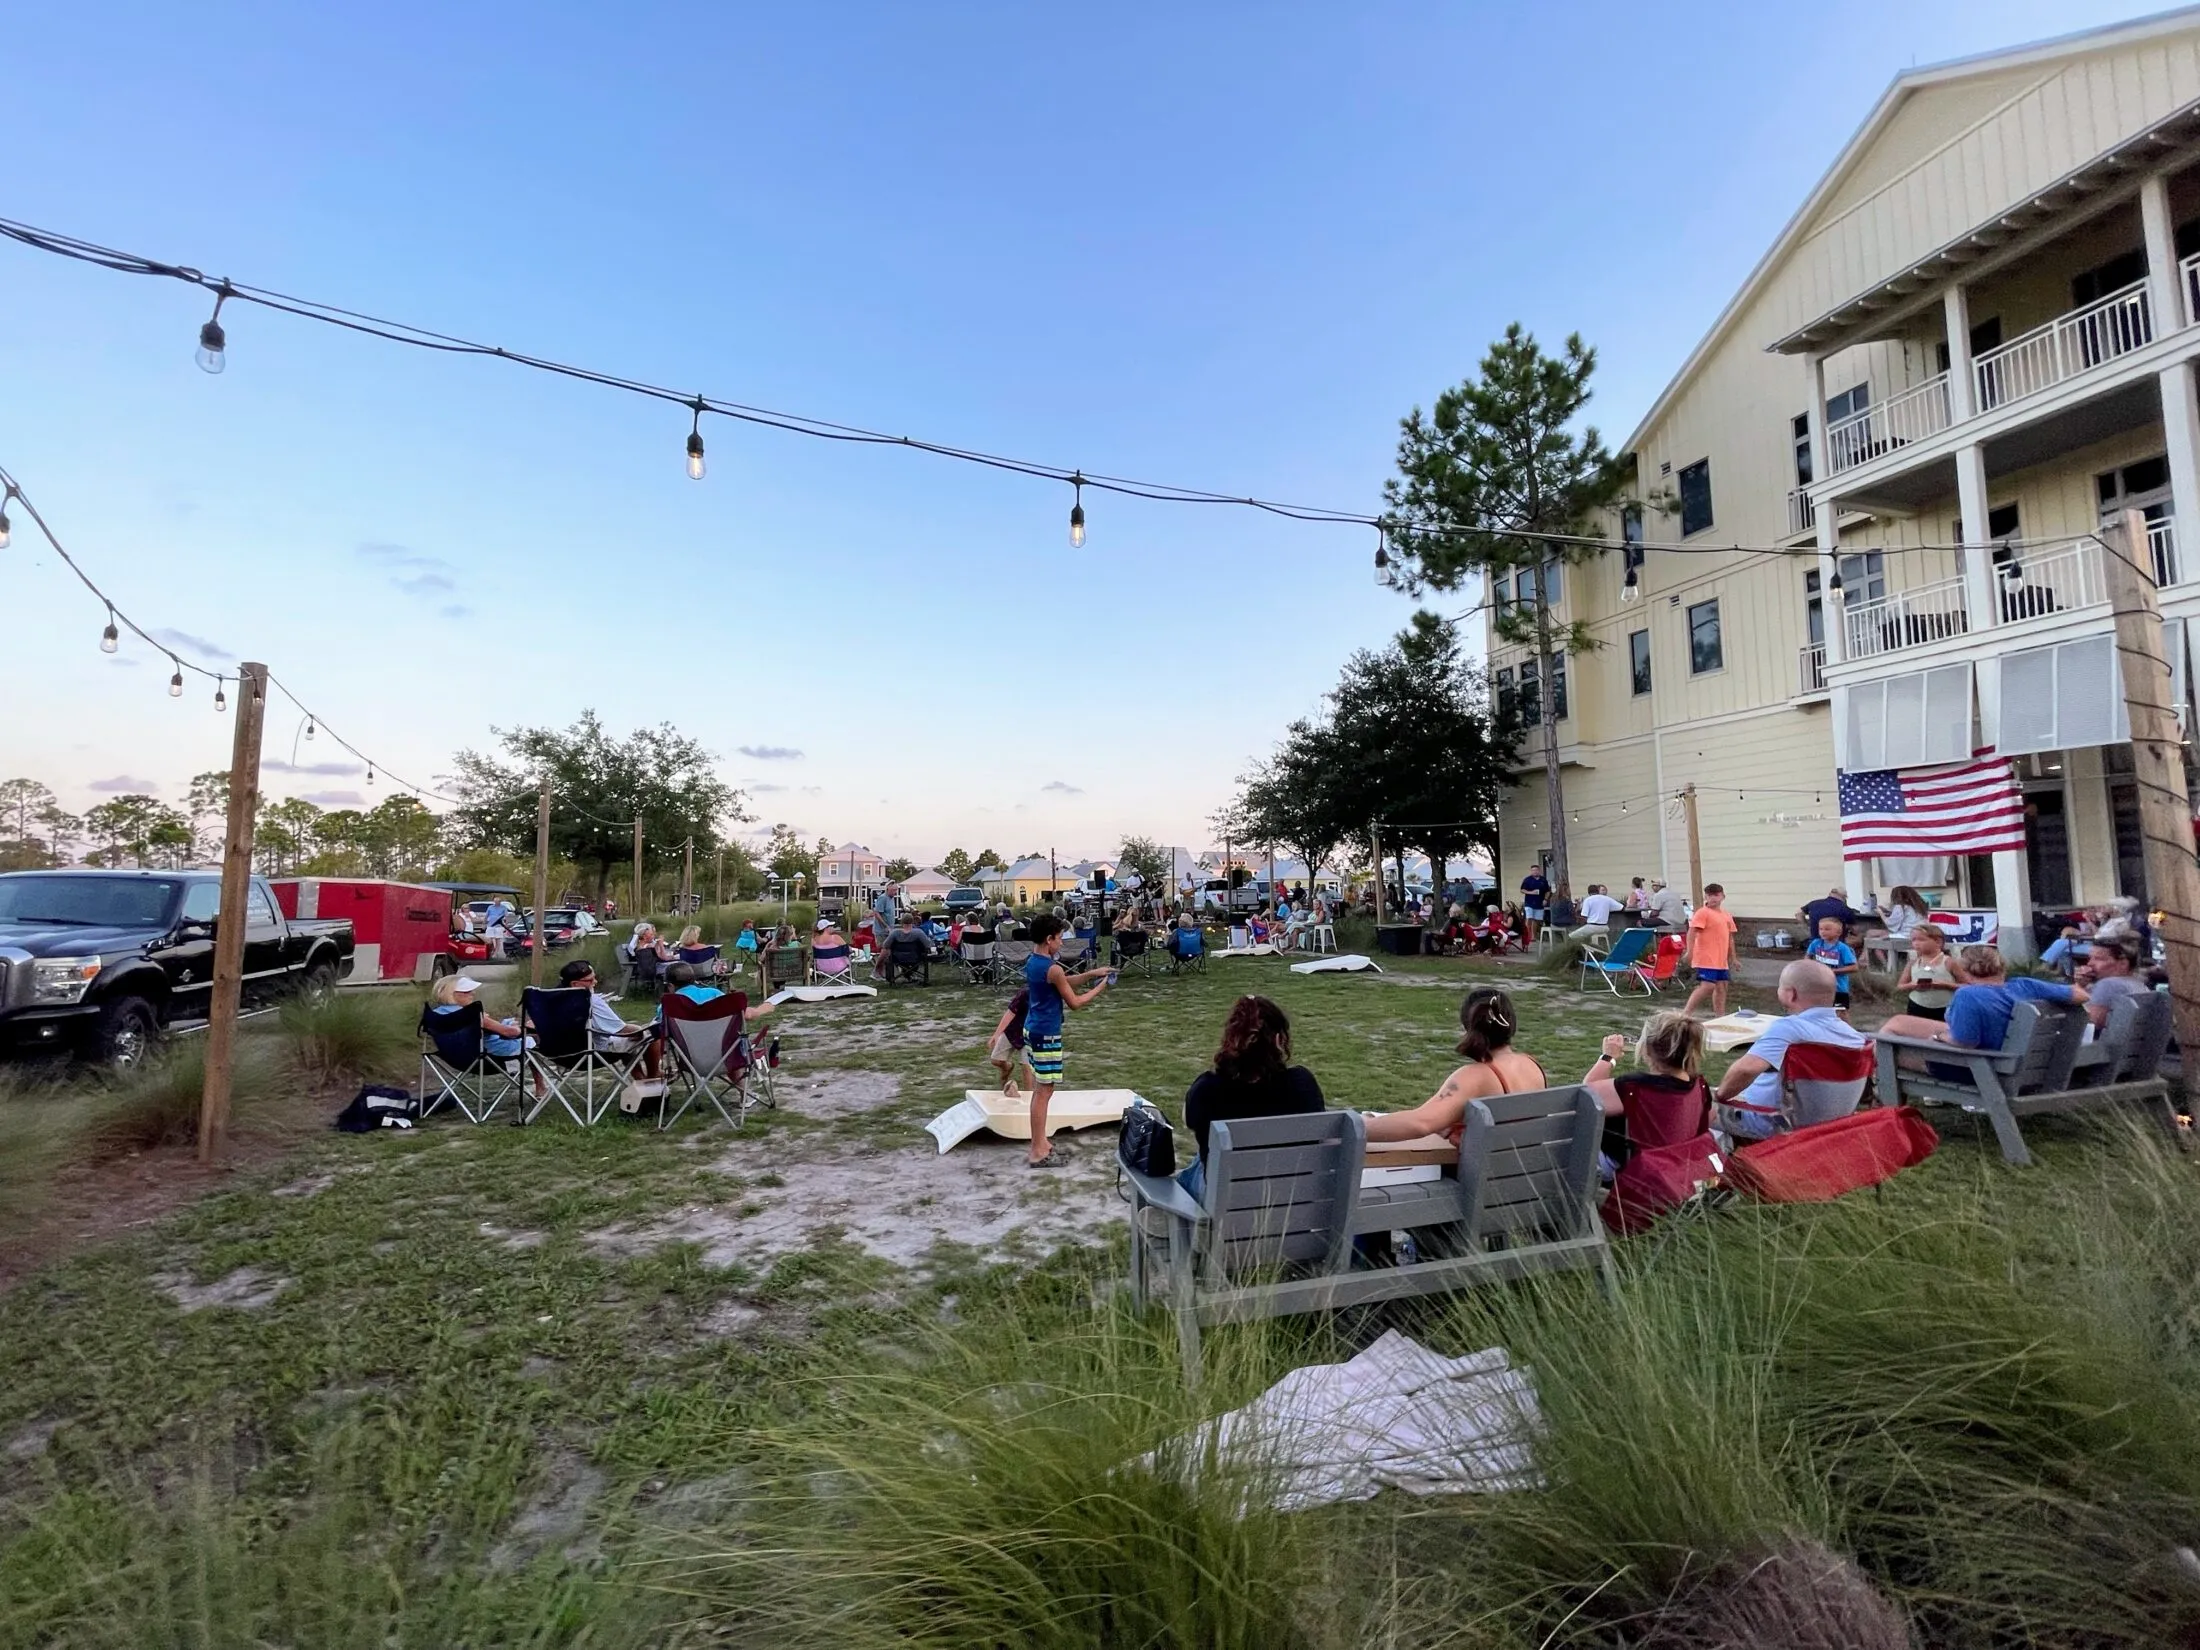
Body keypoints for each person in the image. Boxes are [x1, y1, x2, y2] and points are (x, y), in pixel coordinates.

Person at [1175, 995, 1326, 1199]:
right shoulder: (1302, 1083)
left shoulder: (1207, 1088)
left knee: (1196, 1168)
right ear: (1279, 1040)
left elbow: (1188, 1120)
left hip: (1228, 1204)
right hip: (1294, 1199)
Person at [1710, 959, 1868, 1139]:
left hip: (1775, 1123)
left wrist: (1720, 1096)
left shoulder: (1788, 1029)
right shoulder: (1856, 1038)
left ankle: (1713, 1164)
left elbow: (1746, 1069)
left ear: (1790, 994)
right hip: (1829, 1124)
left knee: (1698, 1108)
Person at [1363, 988, 1546, 1144]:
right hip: (1523, 1171)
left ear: (1468, 1028)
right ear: (1511, 1024)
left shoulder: (1477, 1076)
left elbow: (1420, 1123)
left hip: (1483, 1178)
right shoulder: (1532, 1065)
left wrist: (1359, 1126)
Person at [1020, 913, 1113, 1168]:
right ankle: (1037, 1151)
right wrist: (1101, 986)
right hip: (1046, 1034)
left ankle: (1041, 1143)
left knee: (1041, 1091)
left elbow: (1063, 982)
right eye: (1059, 938)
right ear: (1049, 939)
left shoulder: (1035, 961)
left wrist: (1092, 973)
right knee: (1043, 1092)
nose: (1062, 942)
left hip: (1033, 1030)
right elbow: (1075, 1002)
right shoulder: (1052, 967)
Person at [1874, 945, 2087, 1053]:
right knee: (1898, 1022)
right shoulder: (2026, 985)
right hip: (2026, 1057)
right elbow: (2080, 995)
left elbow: (1965, 1042)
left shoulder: (1968, 995)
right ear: (2002, 967)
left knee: (1888, 1048)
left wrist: (1939, 1038)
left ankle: (1872, 1089)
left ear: (1965, 972)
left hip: (1986, 1065)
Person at [1579, 1011, 1713, 1170]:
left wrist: (1608, 1057)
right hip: (1678, 1167)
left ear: (1647, 1049)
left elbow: (1586, 1096)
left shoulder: (1636, 1087)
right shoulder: (1699, 1086)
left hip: (1633, 1167)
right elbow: (1709, 1117)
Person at [559, 957, 650, 1054]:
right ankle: (654, 1070)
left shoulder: (551, 1000)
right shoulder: (590, 1001)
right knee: (650, 1036)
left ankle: (636, 1069)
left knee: (621, 1041)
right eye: (590, 980)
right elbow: (623, 1030)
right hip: (594, 1052)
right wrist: (643, 1030)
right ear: (575, 984)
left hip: (559, 1054)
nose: (595, 982)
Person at [430, 973, 532, 1057]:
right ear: (451, 993)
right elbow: (510, 1033)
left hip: (455, 1059)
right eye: (467, 991)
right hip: (493, 1055)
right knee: (537, 1038)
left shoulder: (436, 1014)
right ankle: (539, 1082)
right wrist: (518, 1027)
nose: (473, 993)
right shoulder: (472, 1014)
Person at [1680, 883, 1737, 1017]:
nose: (1712, 898)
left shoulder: (1726, 915)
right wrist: (1690, 951)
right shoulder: (1703, 913)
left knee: (1722, 987)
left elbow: (1730, 937)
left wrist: (1733, 958)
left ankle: (1720, 1017)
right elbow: (1692, 932)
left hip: (1721, 960)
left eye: (1716, 895)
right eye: (1709, 895)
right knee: (1708, 986)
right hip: (1706, 957)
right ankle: (1685, 1014)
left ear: (1723, 896)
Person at [1893, 921, 1966, 1021]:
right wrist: (1913, 985)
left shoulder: (1949, 962)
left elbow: (1967, 985)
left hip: (1944, 1007)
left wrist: (1944, 984)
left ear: (1938, 942)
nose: (1916, 943)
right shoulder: (1913, 963)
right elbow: (1900, 986)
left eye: (1921, 939)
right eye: (1913, 940)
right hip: (1917, 1005)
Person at [2075, 939, 2149, 1030]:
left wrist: (2078, 988)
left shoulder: (2108, 985)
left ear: (2123, 964)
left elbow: (2090, 1025)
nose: (2090, 963)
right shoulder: (2139, 985)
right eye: (2090, 958)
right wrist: (2083, 986)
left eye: (2098, 959)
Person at [1805, 915, 1857, 1019]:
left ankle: (1847, 1033)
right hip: (1820, 986)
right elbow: (1808, 956)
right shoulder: (1816, 944)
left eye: (1827, 929)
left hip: (1838, 988)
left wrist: (1832, 971)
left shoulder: (1842, 948)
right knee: (1819, 1011)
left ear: (1838, 932)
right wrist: (1809, 967)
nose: (1823, 932)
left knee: (1840, 1013)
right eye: (1820, 929)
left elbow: (1854, 968)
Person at [988, 985, 1034, 1096]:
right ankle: (1007, 1067)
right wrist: (997, 1034)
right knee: (995, 1060)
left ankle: (1029, 1098)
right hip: (1012, 1031)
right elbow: (1010, 1012)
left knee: (1027, 1068)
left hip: (1030, 1035)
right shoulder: (1025, 993)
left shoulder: (1049, 996)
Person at [1518, 864, 1549, 944]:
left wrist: (1545, 899)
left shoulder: (1543, 880)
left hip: (1539, 903)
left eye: (1536, 870)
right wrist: (1530, 892)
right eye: (1533, 870)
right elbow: (1522, 890)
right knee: (1529, 918)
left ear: (1539, 871)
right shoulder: (1527, 880)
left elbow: (1547, 891)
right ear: (1531, 871)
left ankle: (1533, 936)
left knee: (1537, 920)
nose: (1535, 872)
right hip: (1529, 903)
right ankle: (1527, 936)